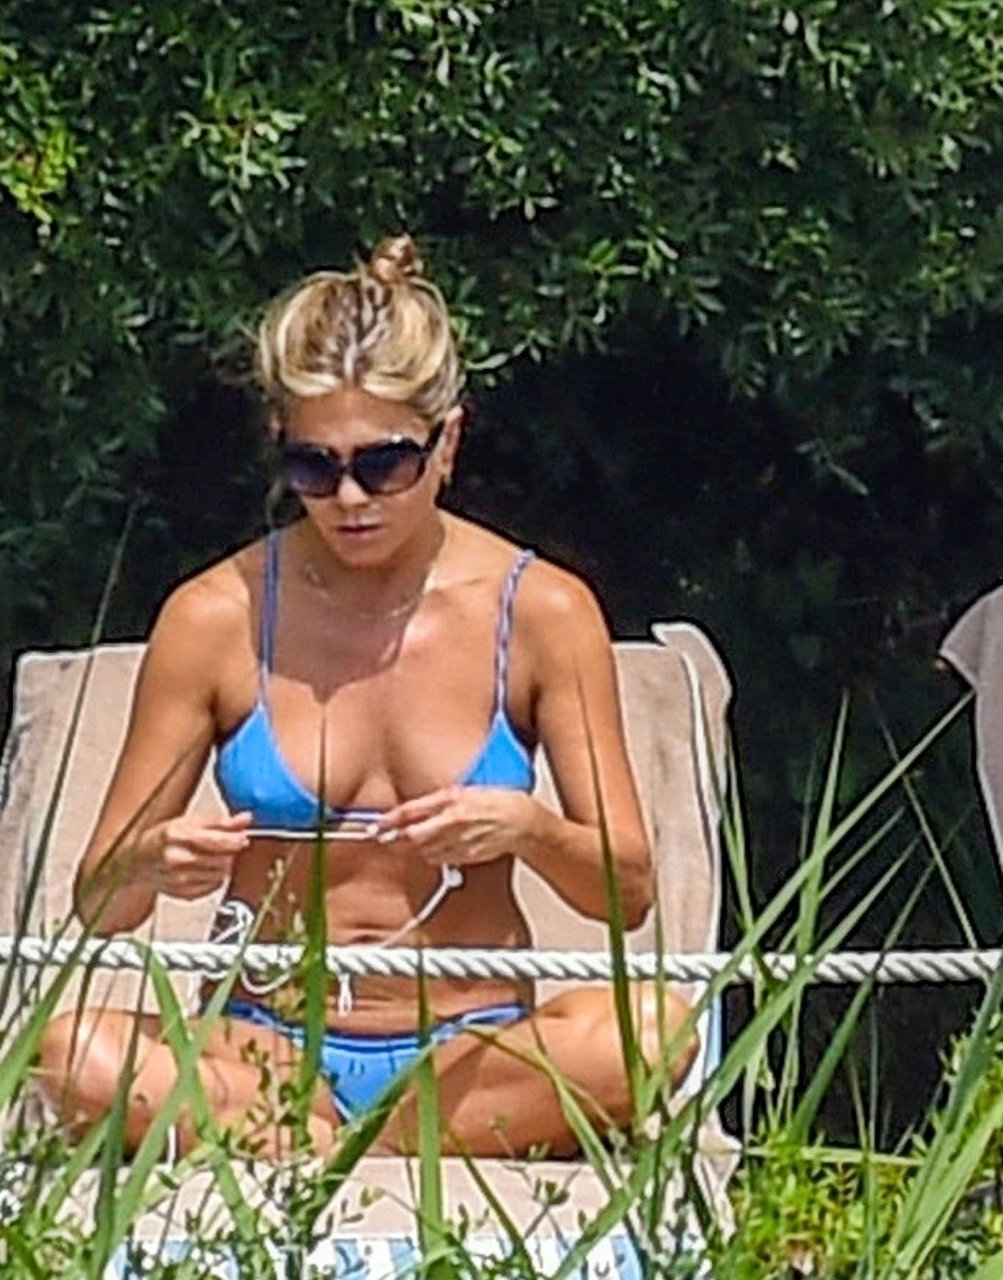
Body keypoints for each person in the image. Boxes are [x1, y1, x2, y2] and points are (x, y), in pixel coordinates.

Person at [36, 235, 697, 1158]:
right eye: (313, 468)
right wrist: (153, 860)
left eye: (383, 464)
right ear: (281, 446)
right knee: (72, 1054)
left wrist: (529, 830)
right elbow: (99, 901)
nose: (349, 498)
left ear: (446, 442)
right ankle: (364, 1142)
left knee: (654, 1032)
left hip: (471, 1051)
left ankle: (339, 1145)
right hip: (259, 1047)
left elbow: (625, 894)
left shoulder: (541, 613)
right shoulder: (215, 616)